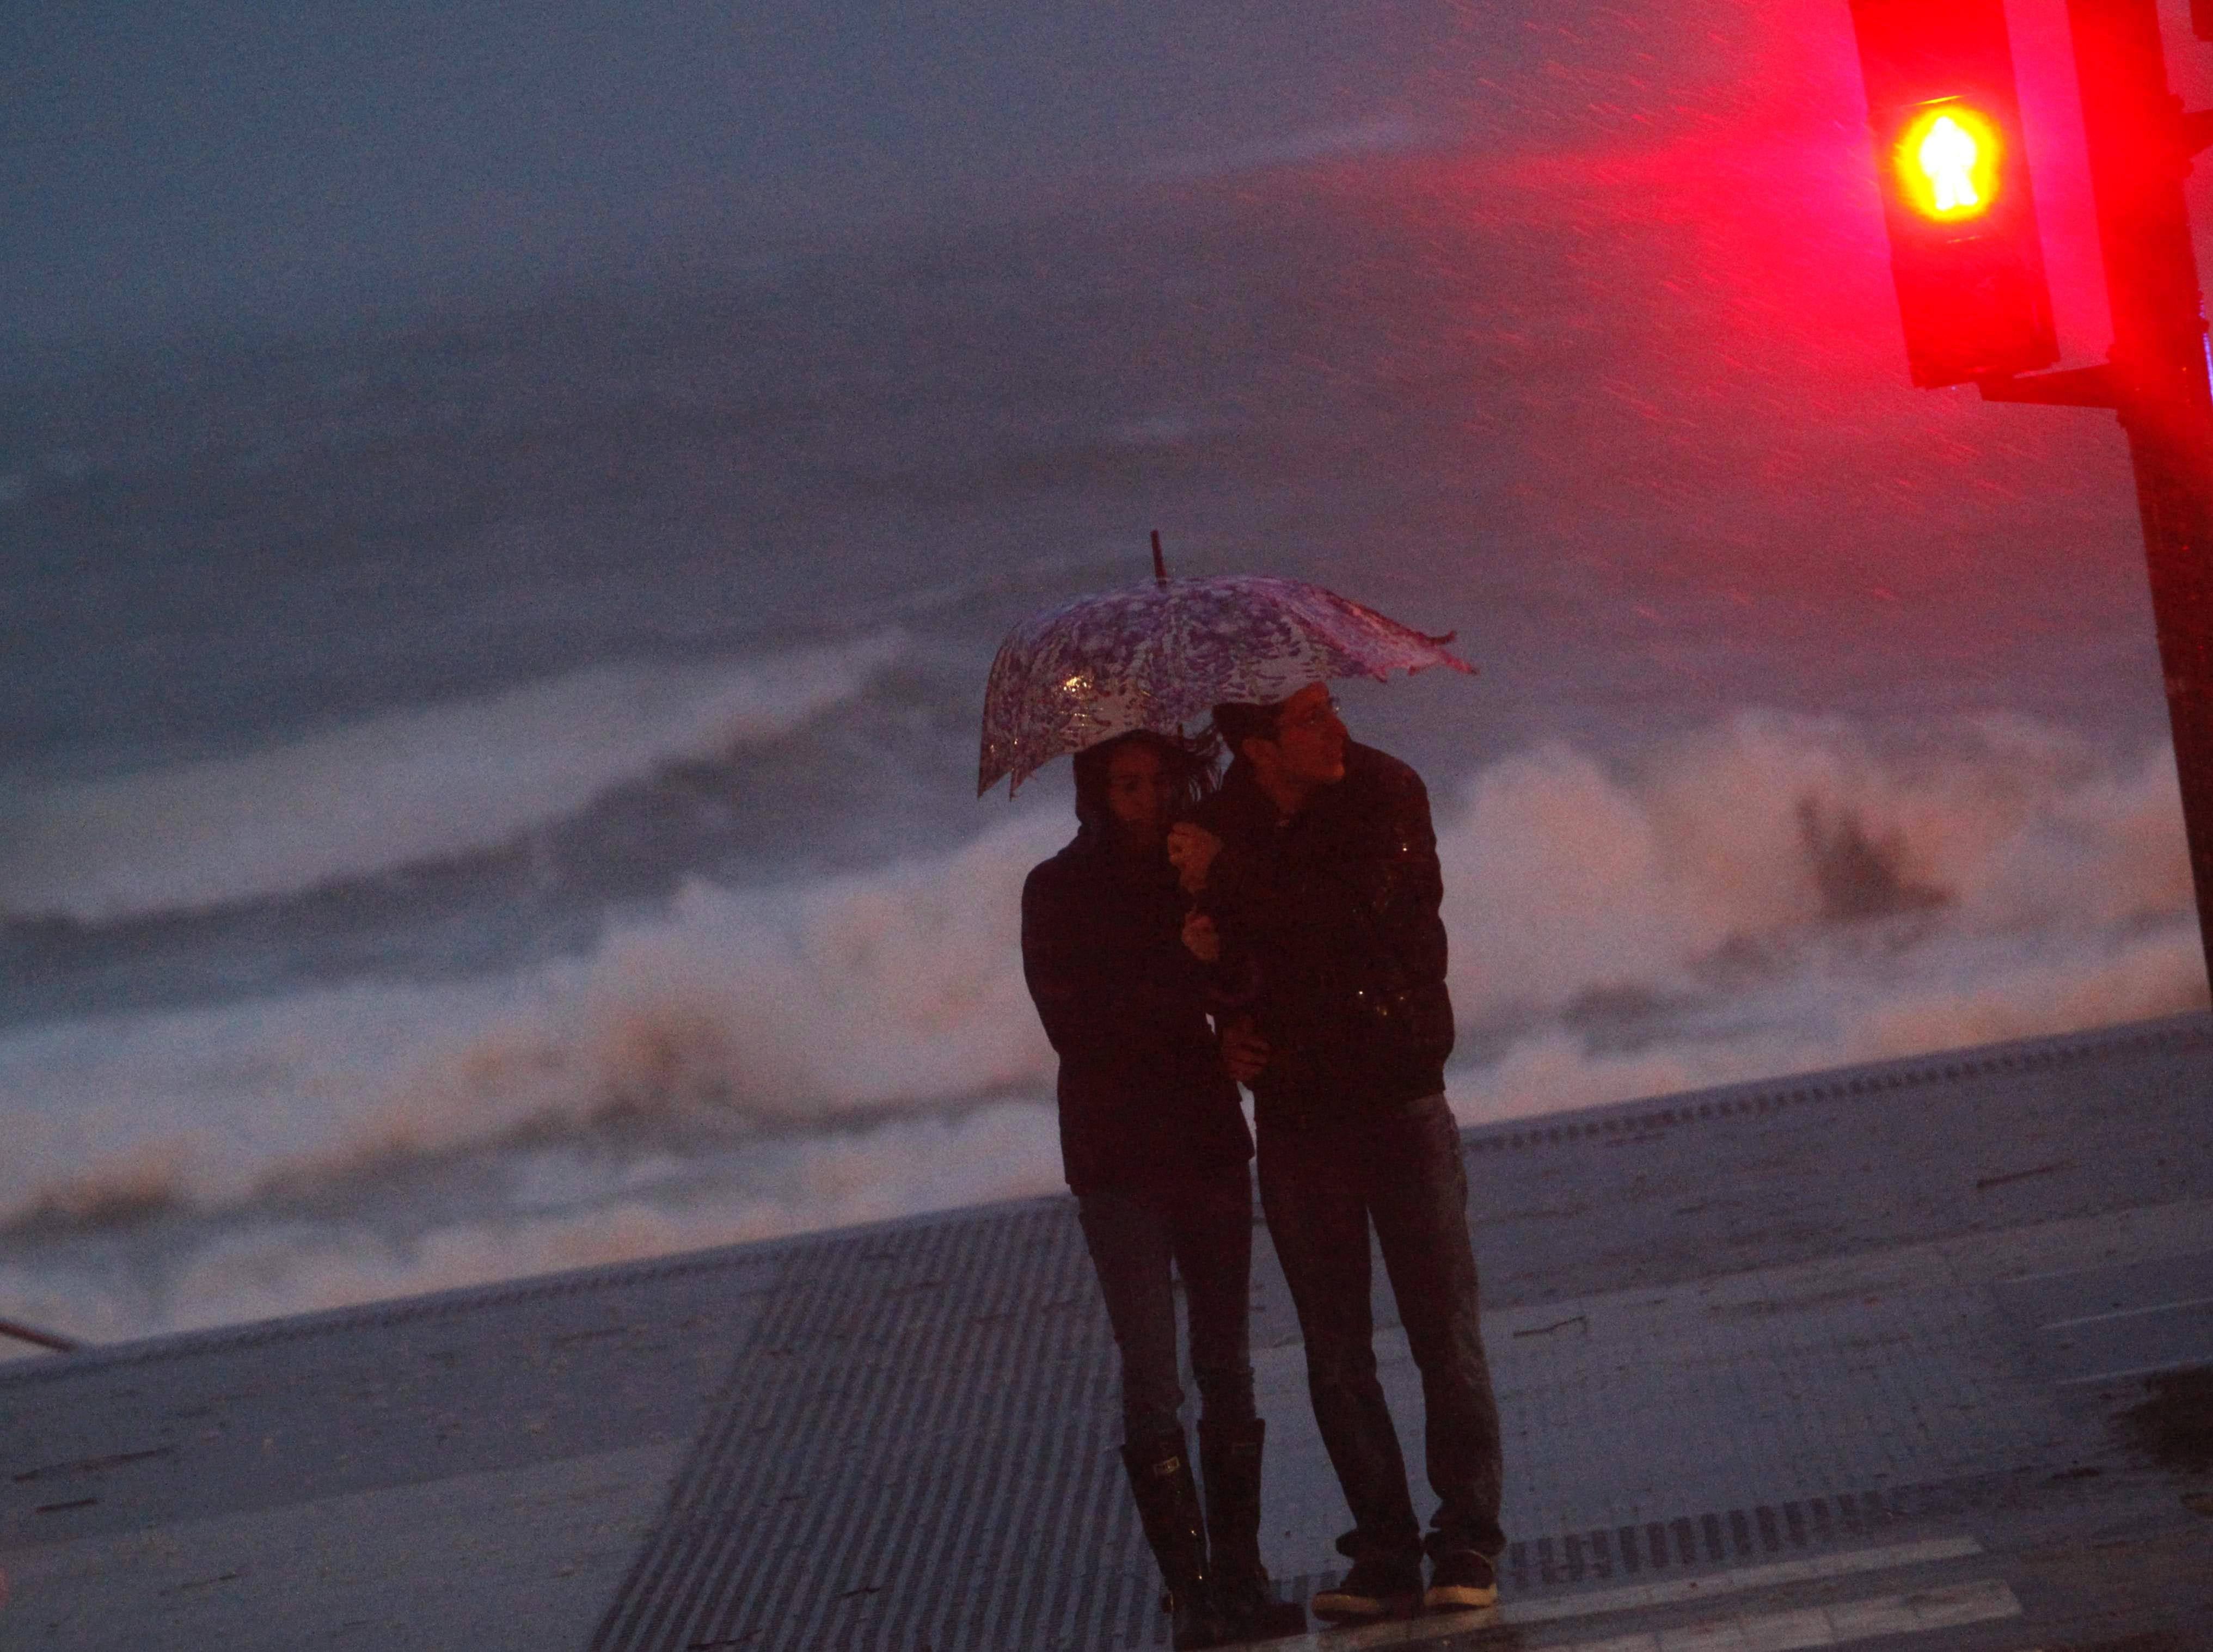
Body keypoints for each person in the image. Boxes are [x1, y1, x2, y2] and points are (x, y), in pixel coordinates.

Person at [1168, 683, 1505, 1622]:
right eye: (1310, 720)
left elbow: (1353, 920)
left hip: (1398, 1093)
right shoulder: (1218, 826)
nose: (1336, 732)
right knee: (1334, 1350)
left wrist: (1225, 882)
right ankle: (1386, 1548)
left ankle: (1467, 1539)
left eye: (1329, 709)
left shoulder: (1384, 793)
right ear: (1259, 749)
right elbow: (1247, 969)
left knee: (1443, 1331)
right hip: (1297, 1112)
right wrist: (1214, 988)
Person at [1020, 730, 1306, 1649]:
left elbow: (1244, 984)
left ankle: (1241, 1573)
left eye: (1154, 783)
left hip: (1205, 1139)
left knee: (1227, 1364)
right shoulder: (1055, 890)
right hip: (1117, 1158)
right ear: (1096, 794)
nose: (1141, 801)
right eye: (1123, 785)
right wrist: (1182, 966)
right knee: (1151, 1373)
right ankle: (1189, 1594)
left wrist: (1214, 924)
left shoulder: (1192, 867)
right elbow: (1079, 1027)